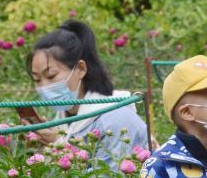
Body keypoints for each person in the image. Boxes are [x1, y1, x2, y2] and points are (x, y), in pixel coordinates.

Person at [24, 20, 147, 170]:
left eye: (51, 75)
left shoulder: (115, 118)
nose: (43, 87)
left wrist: (58, 144)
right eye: (36, 79)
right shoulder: (63, 120)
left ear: (80, 69)